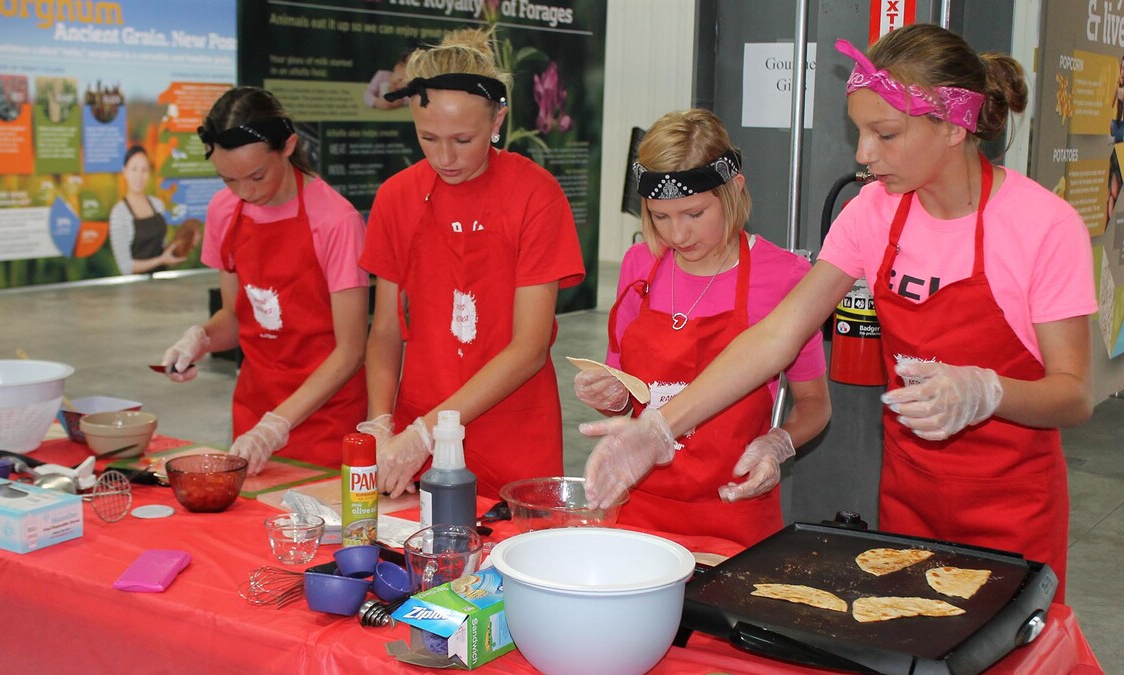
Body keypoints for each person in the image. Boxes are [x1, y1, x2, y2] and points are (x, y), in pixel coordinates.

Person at [580, 24, 1095, 602]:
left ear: (954, 125)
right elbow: (776, 336)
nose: (862, 154)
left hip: (1014, 504)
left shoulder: (1042, 226)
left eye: (886, 133)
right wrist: (657, 429)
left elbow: (1074, 394)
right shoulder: (871, 215)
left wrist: (989, 392)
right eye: (859, 131)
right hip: (909, 495)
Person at [576, 109, 830, 545]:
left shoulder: (785, 277)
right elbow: (628, 395)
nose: (677, 234)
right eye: (660, 217)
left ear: (734, 190)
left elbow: (814, 404)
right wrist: (612, 397)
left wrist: (777, 444)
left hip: (734, 510)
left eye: (694, 214)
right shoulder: (639, 268)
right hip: (640, 508)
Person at [360, 27, 585, 499]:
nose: (445, 157)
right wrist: (383, 423)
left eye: (463, 139)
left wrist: (429, 431)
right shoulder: (396, 197)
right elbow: (384, 330)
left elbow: (529, 345)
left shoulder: (535, 195)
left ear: (498, 117)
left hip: (513, 435)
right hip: (415, 439)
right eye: (428, 137)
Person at [161, 87, 369, 474]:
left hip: (327, 422)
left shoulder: (335, 221)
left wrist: (278, 424)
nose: (245, 192)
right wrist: (201, 339)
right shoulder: (224, 212)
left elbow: (351, 350)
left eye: (256, 176)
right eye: (229, 180)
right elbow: (237, 318)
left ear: (288, 146)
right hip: (253, 419)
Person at [109, 146, 185, 274]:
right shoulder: (118, 213)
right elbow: (125, 267)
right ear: (125, 172)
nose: (139, 176)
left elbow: (163, 246)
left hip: (163, 282)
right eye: (134, 169)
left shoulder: (157, 204)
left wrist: (178, 248)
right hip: (135, 288)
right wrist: (162, 260)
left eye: (144, 170)